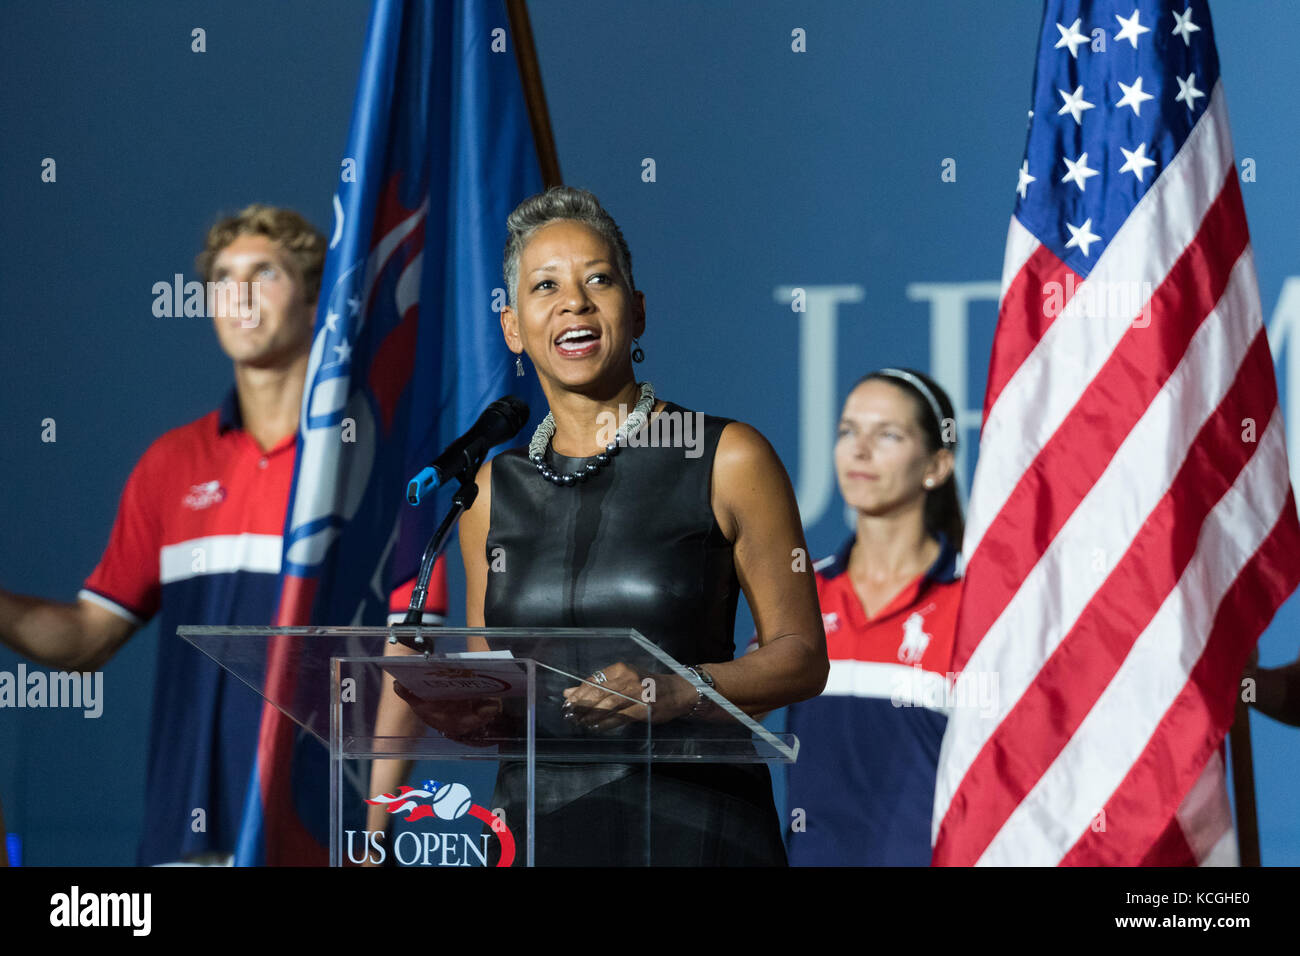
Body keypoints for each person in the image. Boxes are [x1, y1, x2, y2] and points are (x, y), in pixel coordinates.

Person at [0, 205, 438, 865]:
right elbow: (88, 637)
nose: (240, 294)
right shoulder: (170, 463)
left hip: (318, 837)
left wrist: (370, 835)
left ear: (317, 298)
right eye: (223, 278)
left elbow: (413, 654)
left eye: (265, 273)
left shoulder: (375, 463)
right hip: (181, 840)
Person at [449, 185, 828, 865]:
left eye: (599, 278)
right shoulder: (487, 491)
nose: (575, 301)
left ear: (638, 310)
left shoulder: (727, 456)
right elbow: (496, 687)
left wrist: (680, 688)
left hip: (695, 829)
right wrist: (456, 702)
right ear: (512, 327)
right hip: (535, 834)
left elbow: (802, 656)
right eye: (545, 286)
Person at [782, 368, 964, 866]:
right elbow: (730, 729)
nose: (858, 451)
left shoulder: (980, 605)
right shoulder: (800, 594)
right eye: (847, 431)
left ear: (937, 465)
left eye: (887, 434)